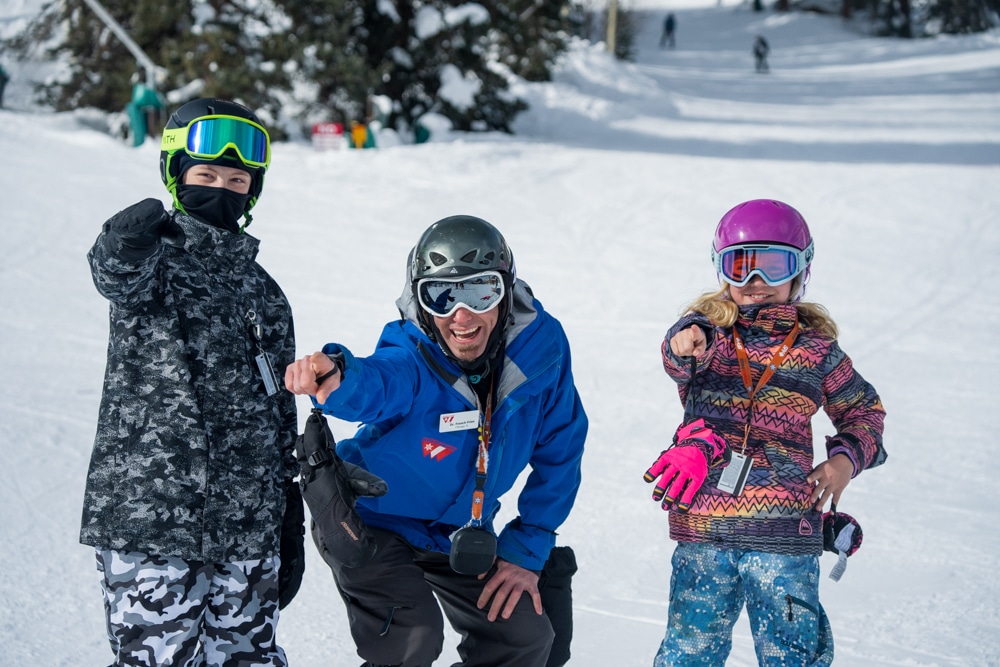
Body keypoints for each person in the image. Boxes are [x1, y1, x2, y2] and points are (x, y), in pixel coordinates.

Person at [285, 215, 588, 667]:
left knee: (524, 637)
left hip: (460, 531)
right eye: (441, 296)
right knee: (412, 637)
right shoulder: (413, 355)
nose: (460, 316)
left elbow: (562, 448)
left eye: (479, 291)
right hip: (372, 521)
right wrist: (339, 377)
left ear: (505, 291)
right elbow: (378, 380)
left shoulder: (541, 352)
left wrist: (529, 545)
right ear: (421, 302)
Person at [81, 98, 303, 666]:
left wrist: (290, 509)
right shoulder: (153, 261)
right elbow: (116, 276)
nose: (222, 189)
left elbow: (280, 408)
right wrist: (122, 242)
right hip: (154, 516)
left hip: (250, 521)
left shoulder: (265, 293)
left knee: (250, 659)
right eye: (206, 175)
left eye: (237, 179)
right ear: (176, 176)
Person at [644, 199, 887, 666]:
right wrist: (685, 342)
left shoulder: (817, 352)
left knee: (790, 654)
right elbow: (682, 354)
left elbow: (864, 413)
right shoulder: (709, 336)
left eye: (775, 267)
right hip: (705, 535)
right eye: (742, 267)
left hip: (784, 538)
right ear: (722, 273)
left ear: (801, 272)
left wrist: (844, 462)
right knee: (688, 652)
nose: (757, 283)